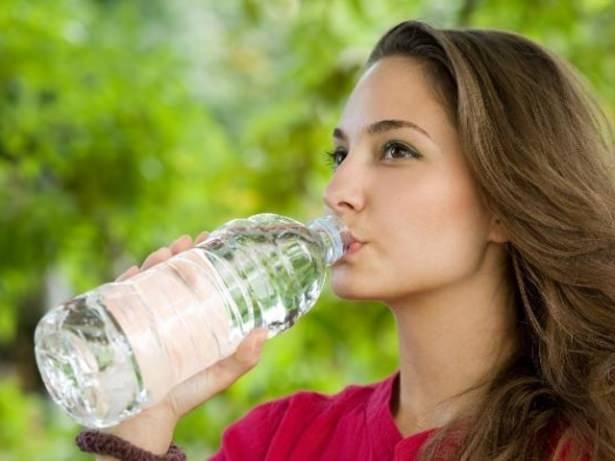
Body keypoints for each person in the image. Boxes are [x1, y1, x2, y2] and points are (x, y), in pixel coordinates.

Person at [76, 20, 615, 460]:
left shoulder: (585, 445)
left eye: (397, 150)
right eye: (340, 155)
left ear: (503, 203)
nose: (338, 191)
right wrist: (143, 424)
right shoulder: (279, 441)